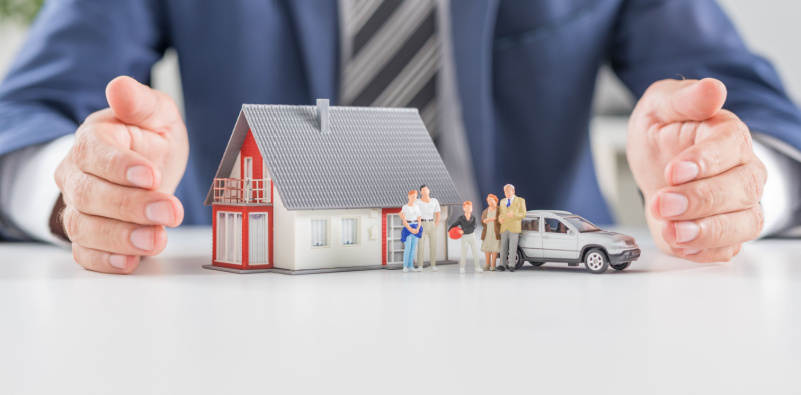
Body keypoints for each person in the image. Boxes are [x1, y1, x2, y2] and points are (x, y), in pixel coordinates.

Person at [0, 1, 798, 274]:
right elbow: (24, 116)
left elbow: (756, 112)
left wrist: (723, 168)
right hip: (246, 327)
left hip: (559, 331)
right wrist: (85, 186)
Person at [448, 201, 482, 274]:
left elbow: (474, 226)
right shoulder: (461, 218)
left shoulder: (473, 217)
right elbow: (454, 224)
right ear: (464, 208)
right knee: (463, 253)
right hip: (465, 237)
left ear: (472, 208)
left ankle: (477, 267)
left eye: (470, 207)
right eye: (467, 207)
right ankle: (462, 268)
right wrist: (449, 231)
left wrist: (463, 230)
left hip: (472, 235)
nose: (468, 209)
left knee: (475, 252)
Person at [497, 184, 526, 272]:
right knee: (503, 247)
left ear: (513, 191)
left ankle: (512, 265)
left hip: (514, 227)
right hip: (504, 227)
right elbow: (500, 213)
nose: (506, 193)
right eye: (505, 191)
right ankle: (502, 264)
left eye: (508, 190)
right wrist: (500, 219)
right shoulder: (502, 201)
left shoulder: (520, 201)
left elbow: (523, 214)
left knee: (513, 247)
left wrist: (513, 215)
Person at [415, 184, 441, 272]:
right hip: (422, 223)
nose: (425, 191)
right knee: (420, 246)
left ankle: (433, 265)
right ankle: (420, 265)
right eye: (423, 190)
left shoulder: (434, 201)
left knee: (433, 245)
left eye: (427, 190)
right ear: (421, 192)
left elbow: (438, 213)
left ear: (429, 191)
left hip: (431, 223)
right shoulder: (417, 202)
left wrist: (436, 223)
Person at [398, 190, 422, 273]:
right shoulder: (405, 207)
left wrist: (418, 228)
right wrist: (410, 229)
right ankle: (405, 266)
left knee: (413, 248)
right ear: (408, 196)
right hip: (408, 227)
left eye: (415, 196)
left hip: (416, 227)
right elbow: (404, 221)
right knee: (407, 248)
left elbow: (419, 218)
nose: (414, 198)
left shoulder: (417, 207)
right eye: (412, 196)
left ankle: (411, 265)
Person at [480, 194, 501, 271]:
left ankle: (493, 264)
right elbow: (483, 221)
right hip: (487, 232)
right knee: (487, 249)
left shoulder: (499, 210)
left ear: (495, 200)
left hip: (496, 233)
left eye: (490, 200)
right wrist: (492, 219)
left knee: (494, 249)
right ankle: (487, 263)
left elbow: (501, 220)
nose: (489, 201)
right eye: (488, 200)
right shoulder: (486, 211)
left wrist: (489, 220)